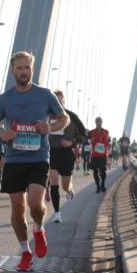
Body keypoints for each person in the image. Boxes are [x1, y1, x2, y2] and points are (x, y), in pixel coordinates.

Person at [0, 51, 68, 272]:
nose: (24, 72)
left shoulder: (45, 95)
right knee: (17, 208)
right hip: (14, 160)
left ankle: (39, 228)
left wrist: (50, 127)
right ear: (13, 70)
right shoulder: (5, 99)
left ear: (32, 69)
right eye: (20, 68)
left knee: (35, 204)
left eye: (28, 68)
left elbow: (64, 118)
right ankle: (25, 252)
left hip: (38, 157)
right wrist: (1, 132)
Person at [47, 90, 87, 223]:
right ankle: (57, 214)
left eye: (60, 101)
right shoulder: (46, 115)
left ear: (63, 102)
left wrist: (72, 142)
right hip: (52, 152)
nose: (58, 103)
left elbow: (85, 134)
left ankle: (69, 190)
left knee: (65, 185)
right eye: (56, 100)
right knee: (53, 180)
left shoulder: (71, 116)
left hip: (67, 154)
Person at [88, 117, 111, 192]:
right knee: (95, 171)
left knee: (102, 171)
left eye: (100, 121)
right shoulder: (91, 132)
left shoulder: (106, 132)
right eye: (97, 121)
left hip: (103, 155)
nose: (98, 123)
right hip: (94, 155)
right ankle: (98, 186)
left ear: (102, 122)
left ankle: (103, 184)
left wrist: (109, 153)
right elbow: (86, 141)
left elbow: (108, 142)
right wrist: (90, 140)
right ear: (95, 122)